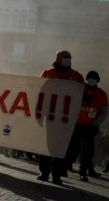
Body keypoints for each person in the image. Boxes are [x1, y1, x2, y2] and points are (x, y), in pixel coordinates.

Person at [36, 50, 84, 185]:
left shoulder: (77, 76)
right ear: (58, 59)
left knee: (61, 148)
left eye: (70, 57)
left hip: (66, 119)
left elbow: (83, 94)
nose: (68, 60)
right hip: (50, 116)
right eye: (65, 58)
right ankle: (44, 172)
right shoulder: (47, 73)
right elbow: (39, 91)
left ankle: (57, 175)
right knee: (46, 146)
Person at [65, 70, 108, 181]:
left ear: (97, 80)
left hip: (90, 126)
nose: (91, 80)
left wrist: (97, 122)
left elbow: (104, 111)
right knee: (73, 148)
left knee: (87, 151)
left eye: (94, 78)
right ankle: (65, 167)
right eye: (89, 78)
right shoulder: (79, 88)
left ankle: (83, 172)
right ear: (86, 79)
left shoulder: (101, 94)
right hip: (76, 124)